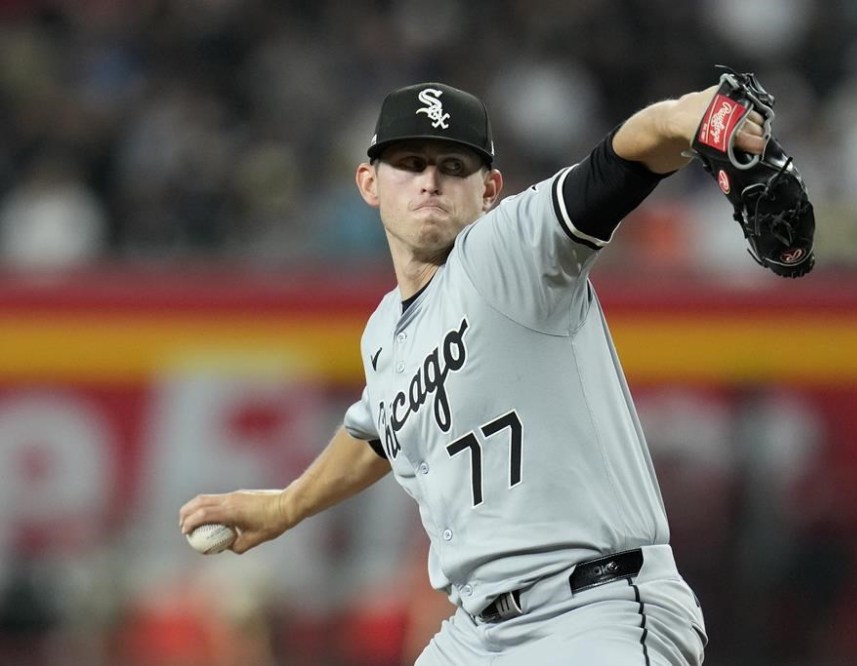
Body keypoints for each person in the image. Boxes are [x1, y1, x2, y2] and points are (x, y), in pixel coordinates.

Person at [180, 79, 766, 665]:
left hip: (593, 610)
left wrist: (689, 119)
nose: (430, 180)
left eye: (452, 165)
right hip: (477, 635)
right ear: (369, 183)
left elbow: (621, 160)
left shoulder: (508, 248)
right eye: (409, 163)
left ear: (488, 190)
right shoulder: (384, 333)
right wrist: (286, 507)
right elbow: (376, 433)